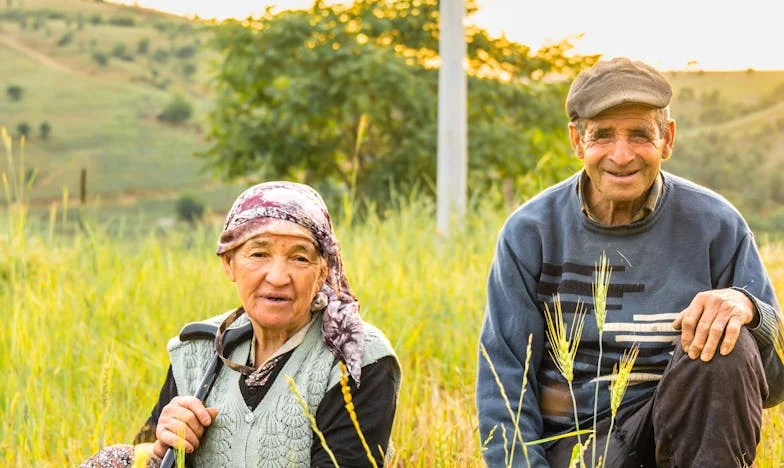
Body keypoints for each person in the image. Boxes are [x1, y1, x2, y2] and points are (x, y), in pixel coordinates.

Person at [476, 57, 784, 467]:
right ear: (577, 141)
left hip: (679, 444)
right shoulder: (530, 232)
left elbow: (775, 384)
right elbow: (504, 379)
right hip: (578, 450)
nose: (621, 156)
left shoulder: (717, 226)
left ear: (667, 139)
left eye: (639, 135)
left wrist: (751, 312)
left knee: (728, 340)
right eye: (602, 135)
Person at [81, 181, 401, 467]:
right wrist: (162, 445)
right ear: (229, 263)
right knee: (113, 461)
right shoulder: (198, 348)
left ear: (322, 271)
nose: (278, 277)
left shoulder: (356, 357)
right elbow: (148, 456)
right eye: (259, 254)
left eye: (300, 258)